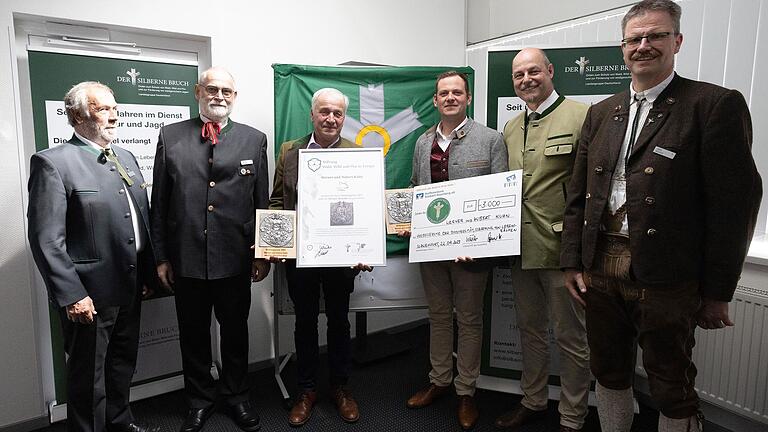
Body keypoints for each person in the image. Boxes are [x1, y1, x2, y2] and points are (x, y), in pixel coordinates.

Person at [560, 1, 762, 431]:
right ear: (623, 47)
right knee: (609, 370)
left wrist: (718, 291)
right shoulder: (601, 112)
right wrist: (573, 262)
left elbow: (735, 207)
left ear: (678, 41)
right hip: (600, 269)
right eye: (635, 39)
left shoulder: (711, 105)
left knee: (671, 382)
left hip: (668, 274)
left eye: (656, 36)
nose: (644, 46)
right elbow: (579, 197)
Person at [28, 81, 158, 432]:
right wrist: (72, 295)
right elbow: (45, 239)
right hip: (89, 295)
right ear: (76, 115)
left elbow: (140, 219)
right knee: (88, 377)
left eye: (115, 108)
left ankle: (119, 422)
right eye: (103, 109)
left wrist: (146, 276)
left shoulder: (125, 157)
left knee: (121, 364)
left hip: (129, 287)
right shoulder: (53, 163)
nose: (114, 115)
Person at [150, 67, 270, 432]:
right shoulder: (170, 137)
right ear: (197, 91)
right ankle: (199, 400)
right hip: (186, 259)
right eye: (212, 89)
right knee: (194, 335)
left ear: (234, 97)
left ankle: (236, 396)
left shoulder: (254, 139)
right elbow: (160, 202)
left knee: (235, 332)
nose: (219, 96)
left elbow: (261, 202)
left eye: (227, 91)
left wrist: (262, 252)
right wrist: (161, 257)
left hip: (235, 258)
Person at [404, 71, 508, 430]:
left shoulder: (491, 140)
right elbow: (415, 188)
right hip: (431, 249)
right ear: (435, 101)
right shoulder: (421, 142)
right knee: (438, 315)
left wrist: (479, 243)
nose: (450, 97)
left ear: (467, 98)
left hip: (471, 253)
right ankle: (440, 381)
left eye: (456, 92)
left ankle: (466, 391)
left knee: (469, 319)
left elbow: (499, 197)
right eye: (443, 93)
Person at [493, 48, 591, 432]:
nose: (526, 79)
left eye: (534, 71)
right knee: (530, 331)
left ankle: (572, 416)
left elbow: (592, 188)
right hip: (520, 250)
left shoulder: (583, 116)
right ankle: (533, 401)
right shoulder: (512, 128)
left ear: (550, 71)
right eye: (518, 75)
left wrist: (582, 253)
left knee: (570, 338)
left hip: (563, 254)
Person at [269, 87, 371, 427]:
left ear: (344, 117)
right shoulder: (290, 151)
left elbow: (365, 209)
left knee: (340, 322)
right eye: (324, 112)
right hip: (302, 257)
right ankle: (307, 390)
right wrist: (277, 242)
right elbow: (276, 202)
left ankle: (340, 387)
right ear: (312, 115)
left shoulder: (358, 155)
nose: (330, 118)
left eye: (338, 113)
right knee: (305, 322)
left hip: (342, 259)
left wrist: (365, 247)